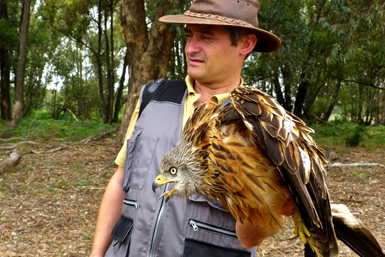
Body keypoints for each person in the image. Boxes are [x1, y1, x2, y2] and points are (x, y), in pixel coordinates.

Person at [89, 0, 295, 256]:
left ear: (245, 44)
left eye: (206, 36)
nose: (190, 48)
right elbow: (121, 179)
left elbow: (250, 237)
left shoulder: (262, 123)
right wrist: (97, 253)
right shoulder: (153, 97)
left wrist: (268, 215)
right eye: (189, 35)